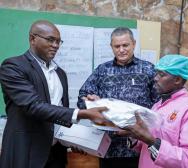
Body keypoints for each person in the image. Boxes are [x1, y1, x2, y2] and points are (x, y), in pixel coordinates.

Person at [0, 20, 109, 168]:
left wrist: (73, 140)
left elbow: (59, 113)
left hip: (56, 154)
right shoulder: (13, 67)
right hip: (26, 152)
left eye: (58, 41)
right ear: (33, 39)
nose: (56, 45)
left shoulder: (60, 73)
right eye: (50, 40)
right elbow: (33, 106)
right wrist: (84, 113)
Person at [77, 27, 159, 168]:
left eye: (125, 45)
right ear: (111, 47)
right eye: (117, 46)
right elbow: (82, 99)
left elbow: (159, 104)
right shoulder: (102, 70)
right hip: (109, 147)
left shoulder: (148, 69)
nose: (121, 50)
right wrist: (91, 102)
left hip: (140, 146)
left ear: (133, 43)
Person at [118, 54, 188, 168]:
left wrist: (151, 140)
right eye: (156, 73)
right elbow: (146, 148)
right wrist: (134, 135)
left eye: (162, 74)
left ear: (177, 79)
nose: (155, 78)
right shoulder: (157, 106)